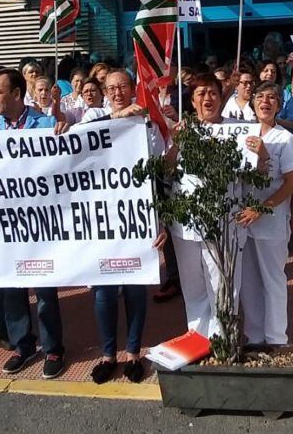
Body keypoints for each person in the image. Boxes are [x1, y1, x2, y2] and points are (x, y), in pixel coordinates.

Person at [0, 68, 68, 379]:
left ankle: (53, 347)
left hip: (39, 221)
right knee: (12, 288)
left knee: (44, 288)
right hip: (5, 223)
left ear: (16, 94)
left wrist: (65, 129)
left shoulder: (44, 124)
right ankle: (22, 344)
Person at [80, 70, 168, 384]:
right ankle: (107, 354)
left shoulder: (146, 124)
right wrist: (119, 117)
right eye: (112, 88)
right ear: (104, 92)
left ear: (133, 88)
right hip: (102, 218)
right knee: (103, 291)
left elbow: (160, 172)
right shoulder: (94, 116)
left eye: (123, 87)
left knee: (134, 287)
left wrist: (162, 220)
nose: (118, 92)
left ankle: (132, 353)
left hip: (137, 215)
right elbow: (77, 139)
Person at [166, 73, 251, 338]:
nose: (207, 98)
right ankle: (198, 337)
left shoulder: (237, 129)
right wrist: (175, 144)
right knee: (193, 287)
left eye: (213, 93)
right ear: (192, 101)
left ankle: (223, 338)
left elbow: (251, 172)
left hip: (223, 222)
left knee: (223, 285)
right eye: (201, 94)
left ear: (221, 97)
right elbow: (167, 169)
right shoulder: (183, 130)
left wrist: (259, 154)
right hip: (185, 224)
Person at [236, 82, 293, 346]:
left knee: (273, 282)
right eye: (260, 97)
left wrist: (261, 209)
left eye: (272, 98)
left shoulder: (285, 139)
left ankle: (276, 339)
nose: (265, 102)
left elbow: (291, 183)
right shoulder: (241, 133)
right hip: (242, 222)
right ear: (252, 102)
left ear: (278, 105)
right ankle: (254, 337)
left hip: (271, 221)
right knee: (248, 283)